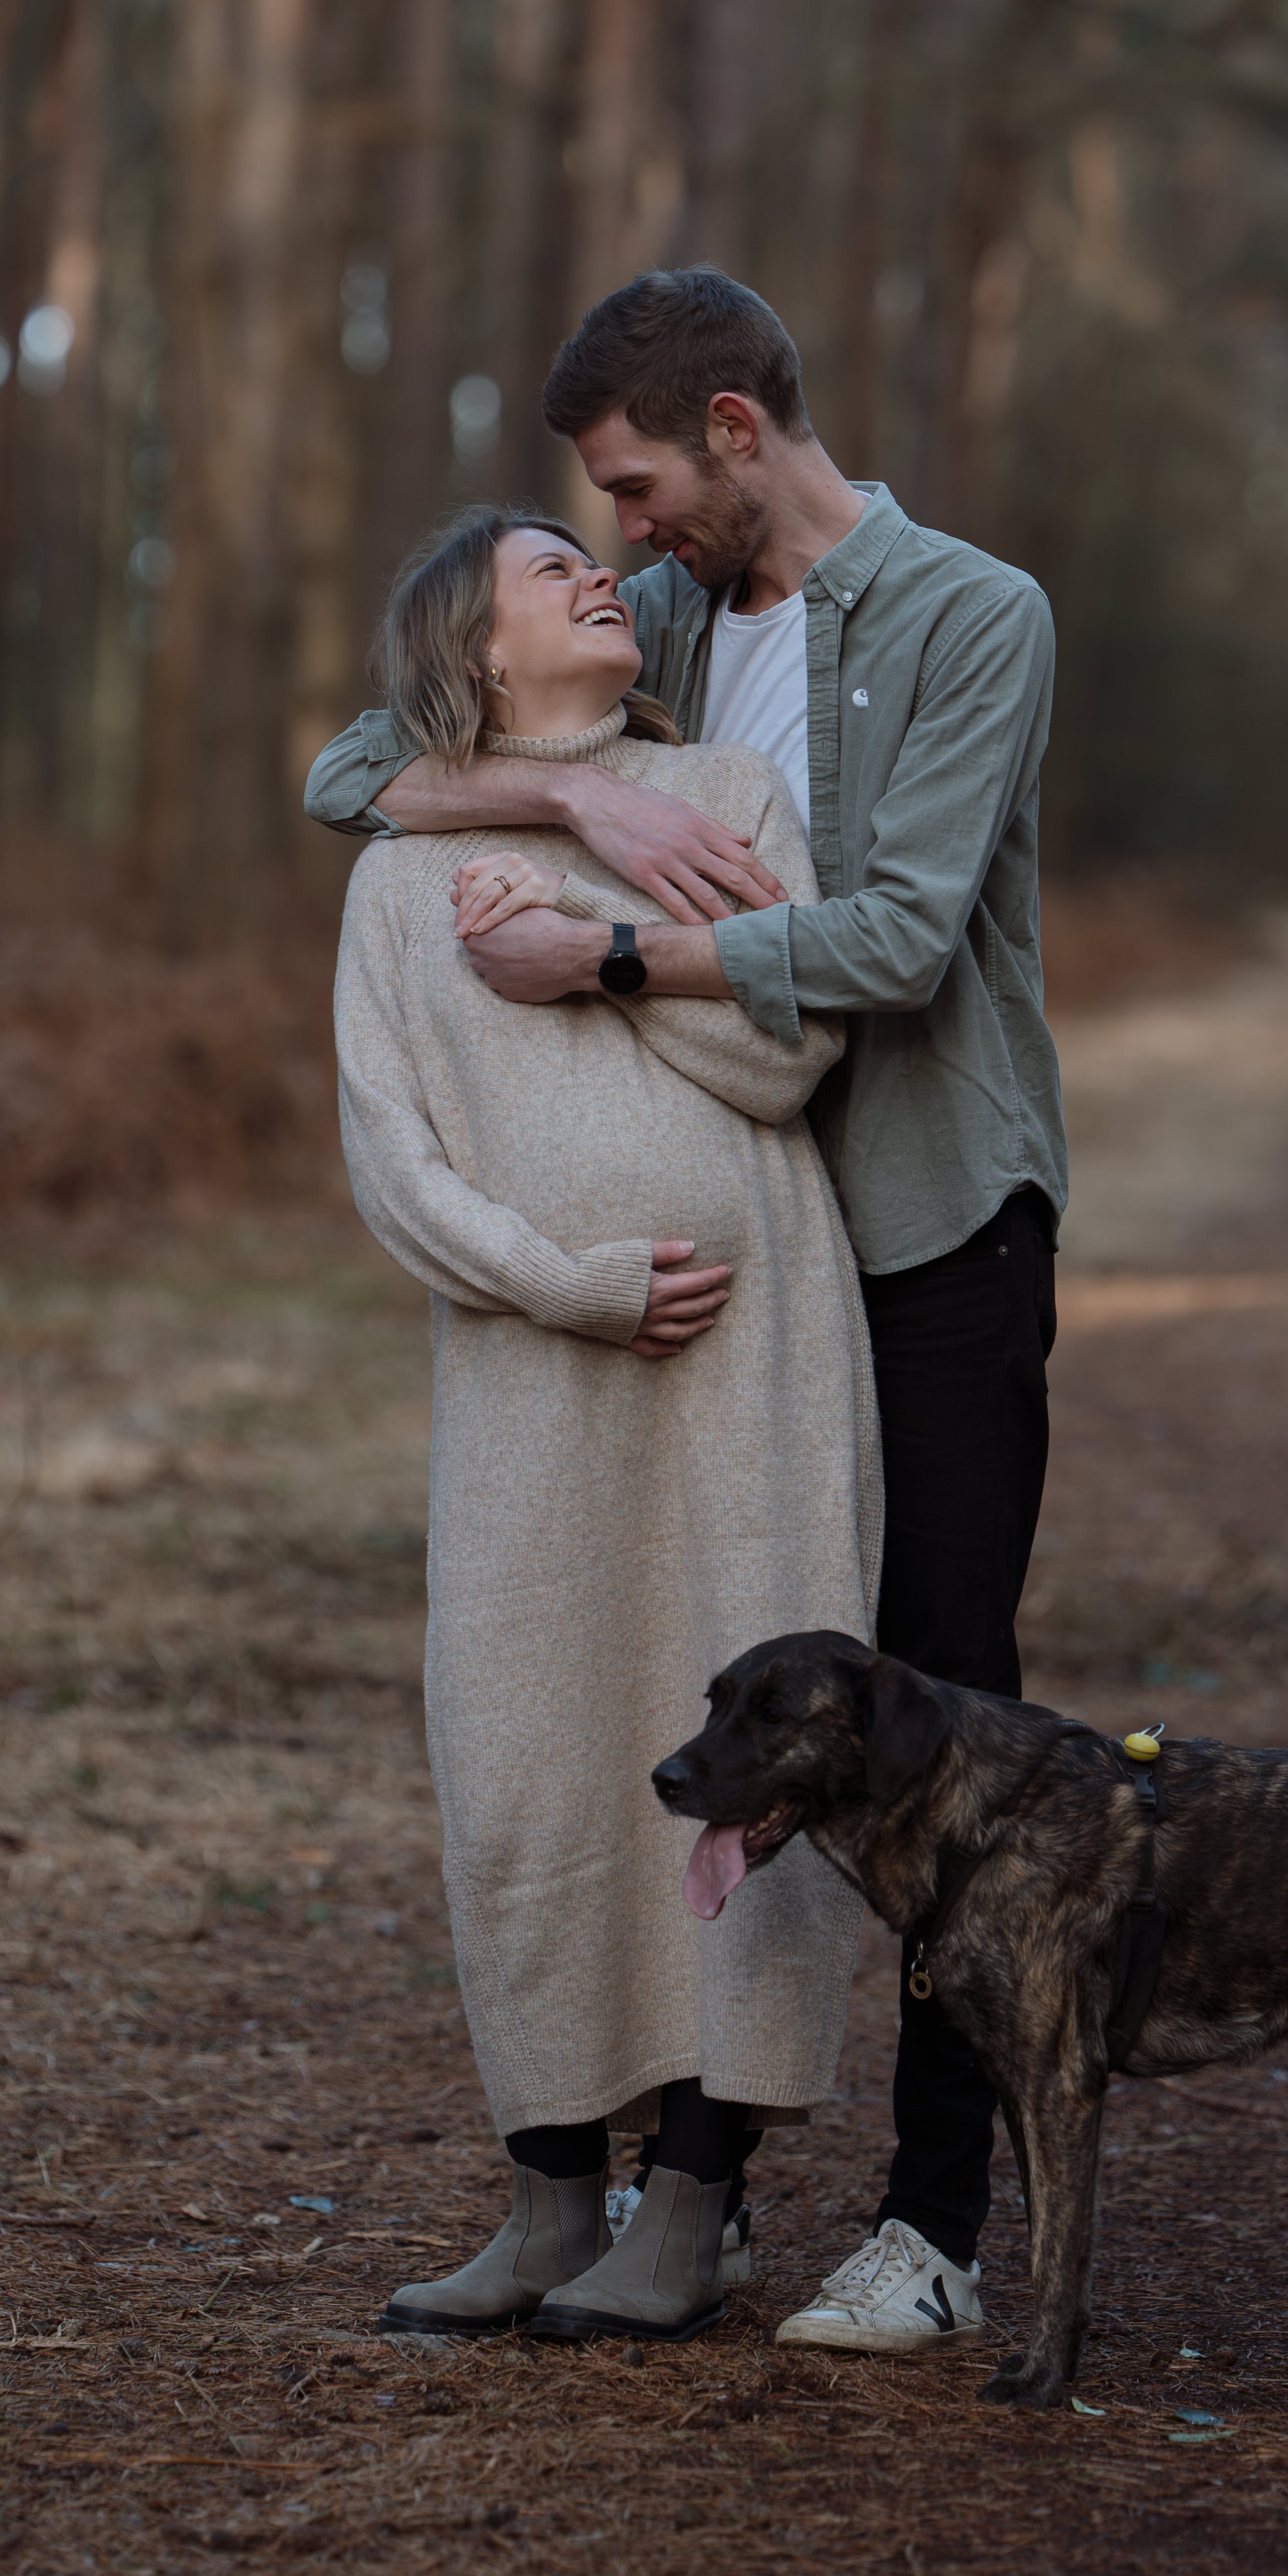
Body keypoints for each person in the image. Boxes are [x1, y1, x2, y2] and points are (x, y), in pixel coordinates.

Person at [308, 267, 1068, 2357]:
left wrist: (609, 953)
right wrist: (569, 793)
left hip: (921, 1228)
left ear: (732, 433)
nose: (618, 534)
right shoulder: (643, 632)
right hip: (725, 1250)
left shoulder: (962, 613)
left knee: (928, 1719)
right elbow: (358, 761)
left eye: (632, 486)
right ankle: (632, 2188)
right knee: (651, 1717)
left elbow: (895, 940)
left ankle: (924, 2219)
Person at [331, 501, 880, 2346]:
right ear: (477, 654)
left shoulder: (725, 787)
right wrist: (556, 1282)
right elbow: (389, 1152)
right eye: (543, 569)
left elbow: (788, 1053)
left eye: (599, 551)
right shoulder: (399, 870)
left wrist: (586, 949)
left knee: (752, 1745)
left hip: (753, 1375)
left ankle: (698, 2198)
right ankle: (550, 2197)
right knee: (528, 1756)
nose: (594, 576)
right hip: (528, 1378)